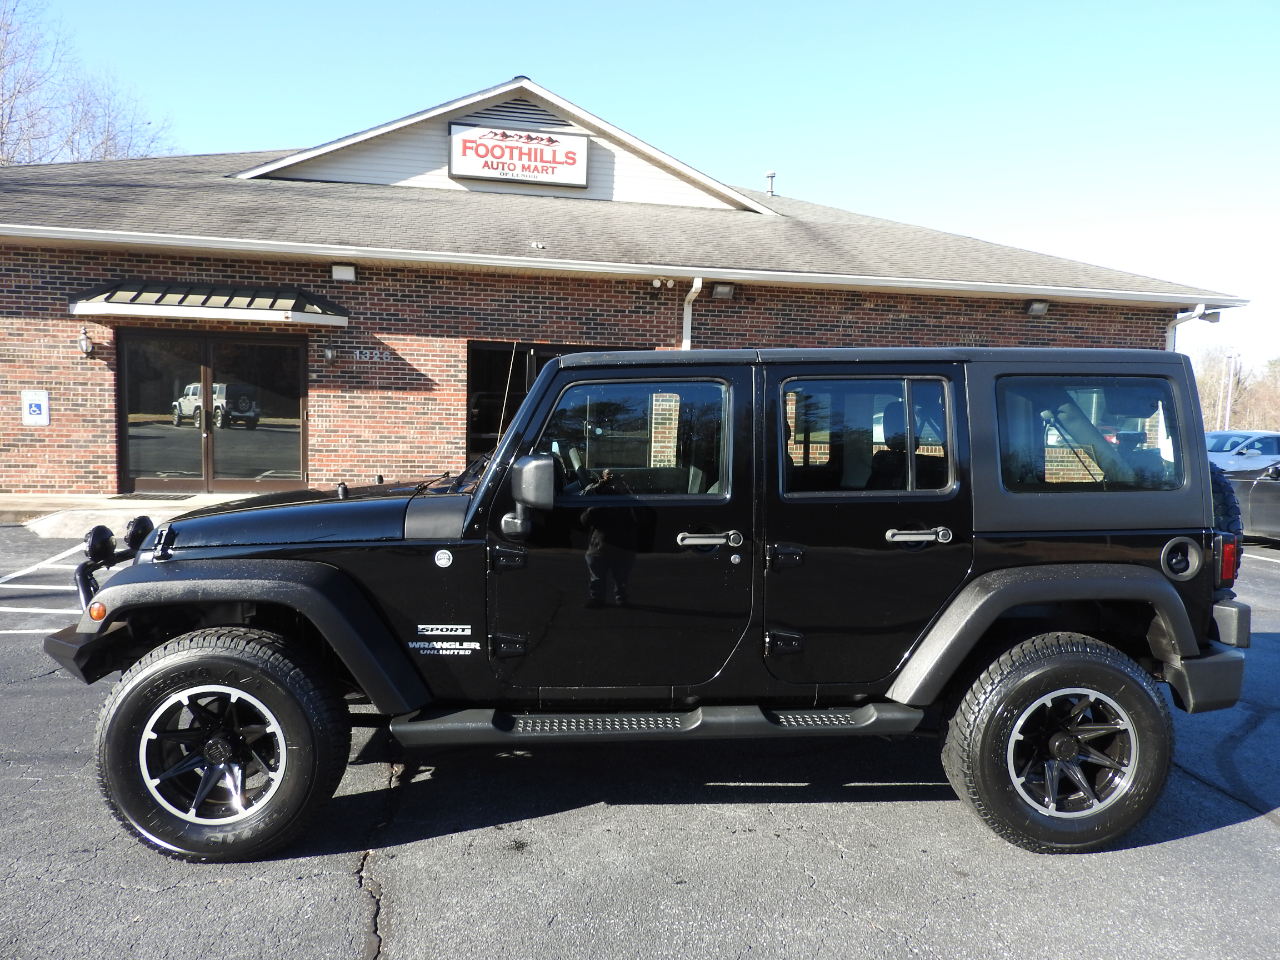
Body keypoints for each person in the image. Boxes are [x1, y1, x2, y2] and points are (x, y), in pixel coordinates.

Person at [580, 469, 639, 607]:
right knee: (597, 577)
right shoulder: (597, 492)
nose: (614, 480)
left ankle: (621, 598)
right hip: (599, 545)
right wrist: (602, 486)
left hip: (623, 546)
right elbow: (584, 514)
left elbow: (641, 516)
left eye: (616, 475)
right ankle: (596, 598)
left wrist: (627, 488)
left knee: (622, 578)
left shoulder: (628, 493)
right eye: (610, 474)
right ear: (603, 475)